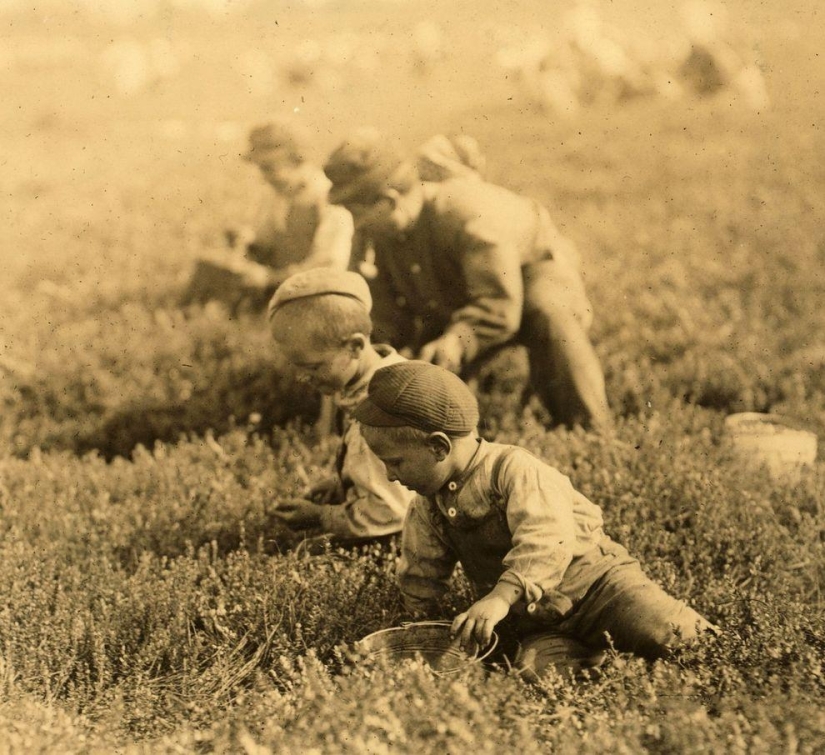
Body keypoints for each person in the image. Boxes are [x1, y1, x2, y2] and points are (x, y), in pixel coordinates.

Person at [354, 360, 717, 678]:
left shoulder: (514, 470)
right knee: (534, 672)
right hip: (539, 619)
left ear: (439, 447)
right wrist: (419, 632)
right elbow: (421, 572)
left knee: (669, 633)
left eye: (395, 462)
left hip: (600, 588)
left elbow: (546, 539)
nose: (389, 475)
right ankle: (599, 657)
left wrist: (500, 598)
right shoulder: (426, 506)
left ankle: (714, 650)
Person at [323, 128, 611, 431]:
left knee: (548, 312)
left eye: (357, 213)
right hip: (460, 286)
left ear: (390, 201)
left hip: (531, 269)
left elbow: (499, 305)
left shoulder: (466, 215)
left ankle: (587, 426)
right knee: (424, 364)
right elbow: (383, 314)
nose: (356, 224)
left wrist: (457, 341)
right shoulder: (380, 232)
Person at [266, 268, 415, 547]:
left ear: (355, 346)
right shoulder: (382, 375)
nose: (303, 377)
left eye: (313, 367)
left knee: (306, 552)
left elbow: (392, 512)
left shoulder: (381, 409)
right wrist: (343, 484)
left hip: (416, 533)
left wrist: (321, 516)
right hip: (408, 515)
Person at [236, 119, 354, 287]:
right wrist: (248, 245)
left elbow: (328, 268)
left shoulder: (328, 198)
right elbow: (265, 241)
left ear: (297, 160)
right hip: (283, 289)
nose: (264, 177)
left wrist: (270, 279)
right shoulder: (276, 194)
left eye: (269, 168)